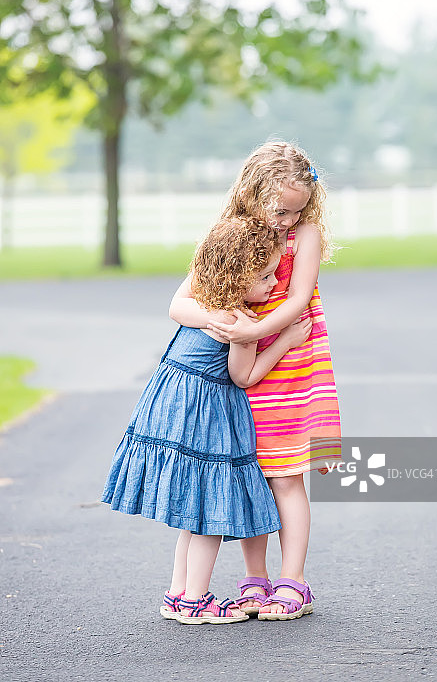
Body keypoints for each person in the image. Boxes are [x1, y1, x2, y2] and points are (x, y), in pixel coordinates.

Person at [101, 216, 312, 625]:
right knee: (208, 515)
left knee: (189, 513)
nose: (273, 284)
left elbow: (176, 313)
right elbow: (244, 376)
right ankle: (196, 600)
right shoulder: (242, 324)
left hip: (168, 406)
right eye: (265, 276)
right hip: (206, 415)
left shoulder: (203, 304)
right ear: (238, 275)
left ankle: (178, 593)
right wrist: (285, 340)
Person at [169, 140, 341, 621]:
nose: (286, 220)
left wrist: (256, 330)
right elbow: (180, 303)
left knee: (286, 476)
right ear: (253, 191)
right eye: (279, 210)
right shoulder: (231, 235)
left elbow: (298, 298)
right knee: (252, 474)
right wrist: (219, 321)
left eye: (295, 211)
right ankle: (254, 580)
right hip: (241, 371)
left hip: (290, 367)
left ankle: (294, 580)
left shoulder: (303, 235)